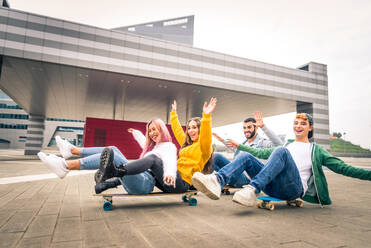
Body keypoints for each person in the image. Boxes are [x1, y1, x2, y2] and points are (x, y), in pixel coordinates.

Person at [191, 113, 371, 207]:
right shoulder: (288, 144)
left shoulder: (315, 150)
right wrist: (240, 146)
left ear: (310, 128)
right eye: (296, 123)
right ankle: (216, 181)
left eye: (302, 124)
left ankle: (251, 189)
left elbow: (343, 168)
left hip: (293, 189)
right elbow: (260, 154)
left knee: (280, 151)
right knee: (248, 156)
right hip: (272, 185)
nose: (298, 126)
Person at [99, 97, 217, 193]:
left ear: (201, 129)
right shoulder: (187, 144)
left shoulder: (205, 148)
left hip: (181, 183)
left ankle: (116, 171)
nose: (190, 131)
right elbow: (178, 131)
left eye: (194, 128)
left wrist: (206, 117)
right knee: (148, 170)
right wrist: (173, 114)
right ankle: (106, 183)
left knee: (154, 158)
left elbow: (206, 138)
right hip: (169, 178)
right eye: (189, 128)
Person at [38, 118, 176, 194]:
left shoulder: (168, 146)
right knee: (112, 149)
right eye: (150, 130)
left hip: (145, 184)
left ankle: (65, 166)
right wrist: (136, 133)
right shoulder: (152, 148)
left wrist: (169, 173)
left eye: (155, 129)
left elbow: (170, 161)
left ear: (162, 130)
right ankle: (72, 150)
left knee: (114, 155)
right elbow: (142, 141)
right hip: (136, 180)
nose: (152, 133)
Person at [212, 111, 283, 187]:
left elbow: (279, 144)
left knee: (245, 156)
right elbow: (233, 148)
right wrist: (221, 140)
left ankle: (218, 180)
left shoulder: (262, 142)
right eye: (244, 128)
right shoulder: (243, 144)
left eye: (249, 127)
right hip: (235, 174)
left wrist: (263, 127)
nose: (246, 130)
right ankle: (201, 183)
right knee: (215, 156)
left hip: (247, 178)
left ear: (256, 127)